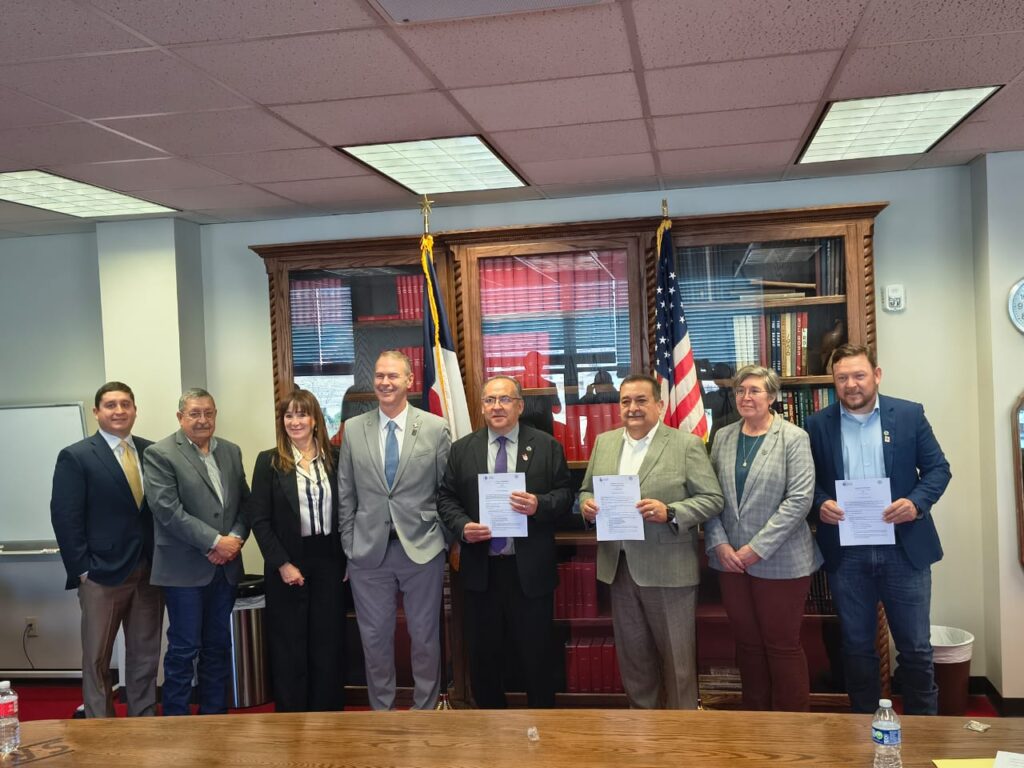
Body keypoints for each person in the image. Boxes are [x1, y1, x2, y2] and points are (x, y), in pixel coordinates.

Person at [805, 343, 951, 715]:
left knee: (915, 649)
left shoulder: (909, 414)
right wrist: (820, 503)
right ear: (834, 382)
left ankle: (923, 733)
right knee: (856, 648)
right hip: (848, 553)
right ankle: (865, 730)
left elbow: (938, 470)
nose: (851, 384)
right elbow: (808, 482)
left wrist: (915, 503)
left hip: (904, 549)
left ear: (877, 375)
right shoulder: (817, 424)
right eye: (842, 378)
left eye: (859, 375)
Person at [579, 373, 724, 709]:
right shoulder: (605, 442)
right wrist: (586, 505)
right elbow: (586, 489)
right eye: (626, 401)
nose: (633, 408)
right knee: (634, 661)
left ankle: (681, 731)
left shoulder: (686, 444)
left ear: (659, 405)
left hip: (669, 571)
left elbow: (713, 499)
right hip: (619, 567)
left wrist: (671, 512)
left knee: (678, 664)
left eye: (641, 400)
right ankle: (642, 729)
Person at [437, 375, 572, 708]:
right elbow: (446, 498)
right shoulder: (462, 449)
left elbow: (565, 495)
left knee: (537, 657)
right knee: (484, 660)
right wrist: (463, 526)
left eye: (505, 399)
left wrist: (539, 504)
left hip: (529, 572)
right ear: (482, 407)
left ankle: (542, 725)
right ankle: (490, 729)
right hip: (481, 571)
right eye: (490, 400)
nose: (497, 407)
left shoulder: (546, 446)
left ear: (520, 406)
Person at [337, 350, 451, 710]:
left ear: (409, 381)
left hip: (422, 549)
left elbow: (446, 492)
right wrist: (349, 545)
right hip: (368, 552)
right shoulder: (354, 429)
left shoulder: (435, 428)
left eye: (393, 376)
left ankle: (424, 711)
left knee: (425, 637)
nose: (385, 382)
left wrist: (442, 540)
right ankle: (382, 713)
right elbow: (346, 493)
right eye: (379, 376)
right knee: (374, 640)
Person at [705, 365, 820, 711]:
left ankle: (791, 725)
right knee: (747, 645)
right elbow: (709, 495)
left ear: (771, 397)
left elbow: (799, 500)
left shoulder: (793, 437)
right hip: (730, 561)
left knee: (782, 645)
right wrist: (719, 543)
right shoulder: (723, 437)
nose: (746, 397)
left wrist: (756, 549)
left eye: (754, 390)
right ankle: (755, 721)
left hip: (781, 561)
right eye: (740, 391)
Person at [49, 382, 163, 718]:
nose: (119, 411)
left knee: (145, 655)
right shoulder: (77, 456)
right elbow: (65, 516)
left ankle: (143, 719)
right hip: (101, 575)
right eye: (111, 405)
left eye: (125, 404)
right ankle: (100, 726)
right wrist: (82, 570)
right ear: (96, 412)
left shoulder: (152, 452)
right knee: (97, 657)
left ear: (135, 410)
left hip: (149, 570)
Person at [143, 388, 250, 716]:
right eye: (194, 413)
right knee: (184, 648)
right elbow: (167, 511)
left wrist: (233, 539)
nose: (203, 420)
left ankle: (214, 717)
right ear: (180, 417)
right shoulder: (160, 454)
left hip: (225, 568)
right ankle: (176, 720)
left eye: (208, 413)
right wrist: (215, 542)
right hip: (184, 571)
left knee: (218, 646)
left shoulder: (230, 451)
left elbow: (245, 504)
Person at [245, 389, 345, 712]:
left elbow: (348, 509)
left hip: (329, 560)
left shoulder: (335, 458)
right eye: (289, 415)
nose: (295, 421)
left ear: (315, 420)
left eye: (302, 414)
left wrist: (347, 559)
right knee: (289, 643)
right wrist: (282, 564)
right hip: (287, 561)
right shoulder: (269, 462)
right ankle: (292, 717)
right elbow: (259, 520)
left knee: (327, 641)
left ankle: (327, 714)